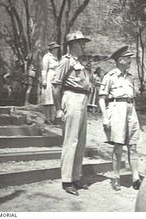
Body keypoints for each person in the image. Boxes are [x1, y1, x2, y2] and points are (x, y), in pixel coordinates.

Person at [52, 31, 92, 196]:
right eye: (82, 43)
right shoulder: (66, 61)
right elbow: (55, 85)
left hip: (82, 100)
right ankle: (67, 180)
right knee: (71, 141)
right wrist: (58, 108)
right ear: (74, 44)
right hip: (71, 98)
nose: (84, 46)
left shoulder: (79, 63)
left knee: (81, 141)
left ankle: (76, 177)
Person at [99, 46, 141, 191]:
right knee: (118, 146)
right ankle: (116, 177)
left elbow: (133, 97)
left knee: (133, 146)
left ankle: (136, 178)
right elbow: (101, 99)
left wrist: (133, 112)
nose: (130, 61)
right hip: (116, 110)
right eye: (128, 58)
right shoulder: (109, 76)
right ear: (120, 60)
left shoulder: (130, 77)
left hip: (130, 110)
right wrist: (105, 118)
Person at [41, 41, 60, 125]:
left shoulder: (55, 57)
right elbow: (44, 69)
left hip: (55, 78)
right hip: (49, 77)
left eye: (57, 48)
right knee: (47, 99)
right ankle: (47, 118)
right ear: (51, 49)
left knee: (53, 99)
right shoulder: (46, 57)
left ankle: (52, 118)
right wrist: (44, 80)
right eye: (55, 48)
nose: (56, 50)